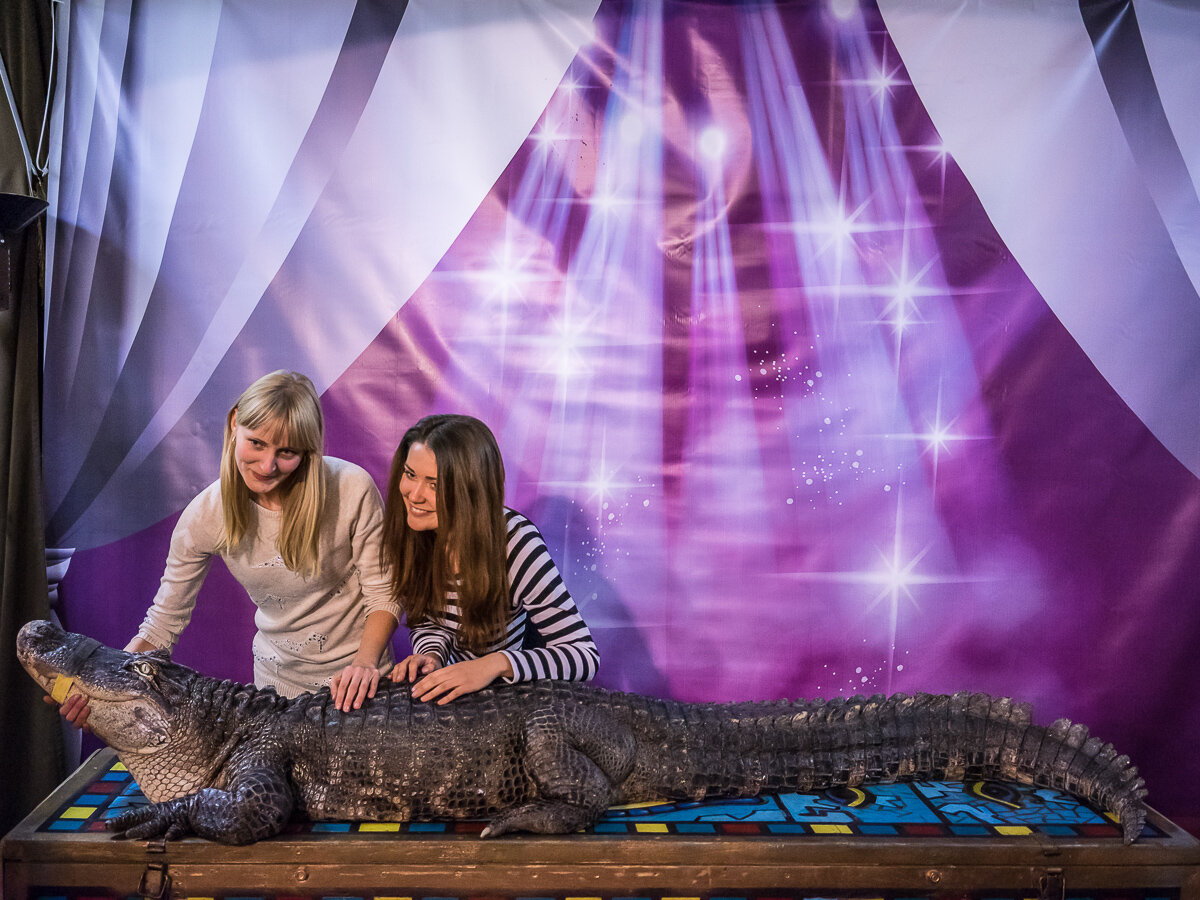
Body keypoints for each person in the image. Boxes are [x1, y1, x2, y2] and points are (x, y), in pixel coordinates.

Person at [55, 371, 398, 726]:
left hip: (365, 686)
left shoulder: (351, 487)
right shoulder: (206, 514)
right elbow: (161, 626)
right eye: (257, 443)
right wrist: (99, 687)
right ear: (235, 423)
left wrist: (365, 664)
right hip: (276, 694)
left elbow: (384, 593)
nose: (268, 466)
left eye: (287, 452)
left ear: (308, 451)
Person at [382, 413, 599, 704]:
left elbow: (583, 656)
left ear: (471, 488)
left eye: (434, 484)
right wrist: (430, 655)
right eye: (410, 475)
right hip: (452, 701)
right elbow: (429, 620)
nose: (414, 494)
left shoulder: (516, 542)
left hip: (507, 705)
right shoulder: (416, 529)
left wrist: (493, 664)